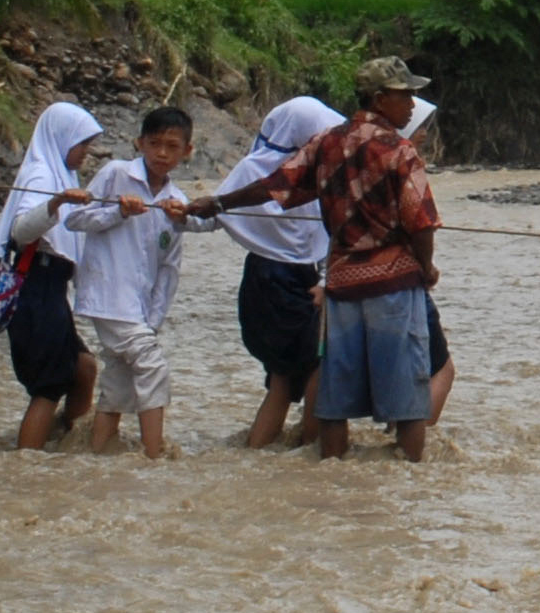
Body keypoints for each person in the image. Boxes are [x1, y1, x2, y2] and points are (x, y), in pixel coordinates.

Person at [192, 57, 444, 462]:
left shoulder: (326, 143)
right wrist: (425, 268)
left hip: (341, 287)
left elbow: (276, 186)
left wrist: (220, 201)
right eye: (405, 95)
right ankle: (409, 481)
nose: (412, 104)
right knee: (408, 401)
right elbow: (422, 222)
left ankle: (330, 472)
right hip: (392, 286)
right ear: (380, 100)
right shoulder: (400, 150)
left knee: (335, 400)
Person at [191, 94, 348, 450]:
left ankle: (258, 457)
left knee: (283, 378)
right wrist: (179, 215)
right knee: (316, 366)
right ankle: (311, 451)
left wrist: (325, 280)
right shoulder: (256, 172)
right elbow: (215, 213)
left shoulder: (312, 175)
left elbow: (325, 236)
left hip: (291, 279)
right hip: (274, 279)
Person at [65, 106, 192, 459]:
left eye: (172, 146)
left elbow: (169, 267)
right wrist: (117, 212)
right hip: (106, 293)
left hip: (138, 307)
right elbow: (75, 219)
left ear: (187, 151)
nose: (162, 154)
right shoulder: (116, 173)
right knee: (152, 366)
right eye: (154, 144)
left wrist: (154, 319)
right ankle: (155, 457)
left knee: (119, 380)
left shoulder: (177, 203)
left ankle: (98, 454)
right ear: (139, 144)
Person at [0, 106, 104, 450]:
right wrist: (55, 204)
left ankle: (68, 445)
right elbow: (21, 231)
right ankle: (28, 465)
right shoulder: (42, 176)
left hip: (51, 290)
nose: (86, 152)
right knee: (49, 387)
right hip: (35, 288)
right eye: (82, 144)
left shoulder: (62, 176)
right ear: (62, 139)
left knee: (83, 367)